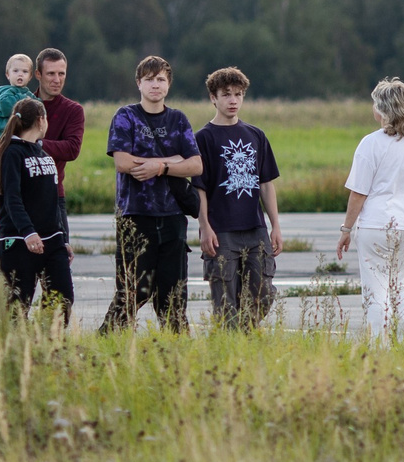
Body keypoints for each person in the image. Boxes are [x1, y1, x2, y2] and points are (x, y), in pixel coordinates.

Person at [337, 77, 404, 339]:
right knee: (402, 284)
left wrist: (346, 229)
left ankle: (379, 346)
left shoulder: (370, 143)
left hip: (376, 225)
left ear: (380, 110)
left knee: (376, 289)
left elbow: (358, 193)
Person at [102, 55, 202, 334]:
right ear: (139, 83)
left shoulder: (178, 119)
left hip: (172, 216)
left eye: (161, 79)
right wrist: (173, 161)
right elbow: (122, 162)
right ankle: (108, 339)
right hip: (135, 215)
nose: (155, 85)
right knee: (132, 291)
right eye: (149, 79)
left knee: (173, 295)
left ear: (168, 84)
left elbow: (195, 164)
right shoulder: (126, 116)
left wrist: (160, 166)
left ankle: (178, 347)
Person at [194, 66, 281, 330]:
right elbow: (199, 188)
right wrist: (205, 227)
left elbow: (266, 184)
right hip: (222, 232)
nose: (233, 100)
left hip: (255, 229)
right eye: (226, 94)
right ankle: (232, 347)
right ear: (213, 97)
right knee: (225, 300)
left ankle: (243, 333)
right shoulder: (203, 138)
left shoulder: (256, 135)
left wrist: (275, 225)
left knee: (263, 294)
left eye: (238, 94)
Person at [0, 95, 73, 322]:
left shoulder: (44, 154)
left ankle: (46, 344)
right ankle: (17, 350)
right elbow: (12, 198)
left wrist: (63, 238)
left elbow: (54, 201)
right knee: (18, 306)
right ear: (41, 120)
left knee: (62, 299)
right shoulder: (12, 153)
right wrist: (28, 232)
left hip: (52, 241)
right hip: (20, 241)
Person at [30, 47, 86, 187]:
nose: (57, 80)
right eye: (51, 74)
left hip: (53, 194)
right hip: (18, 194)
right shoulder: (20, 105)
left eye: (61, 74)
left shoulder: (73, 110)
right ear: (38, 74)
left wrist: (35, 143)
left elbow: (72, 149)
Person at [0, 52, 35, 153]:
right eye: (15, 71)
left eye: (25, 71)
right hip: (5, 136)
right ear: (8, 74)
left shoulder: (30, 94)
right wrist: (25, 99)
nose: (20, 74)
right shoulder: (6, 92)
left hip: (21, 136)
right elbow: (6, 106)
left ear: (30, 76)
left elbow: (39, 108)